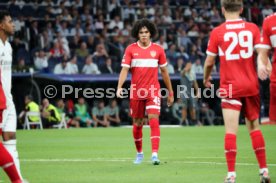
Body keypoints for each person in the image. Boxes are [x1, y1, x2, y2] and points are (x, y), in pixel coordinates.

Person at [203, 1, 270, 182]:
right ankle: (264, 170)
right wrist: (263, 65)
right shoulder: (253, 28)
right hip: (250, 85)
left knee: (231, 132)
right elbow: (262, 53)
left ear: (222, 9)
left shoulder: (218, 32)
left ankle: (231, 175)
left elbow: (209, 62)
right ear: (241, 9)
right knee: (254, 128)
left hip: (230, 87)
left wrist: (206, 78)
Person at [116, 19, 174, 165]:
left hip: (153, 90)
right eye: (141, 32)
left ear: (151, 33)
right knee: (138, 124)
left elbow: (165, 72)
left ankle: (155, 154)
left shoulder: (159, 50)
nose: (144, 35)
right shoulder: (130, 49)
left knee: (154, 119)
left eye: (146, 32)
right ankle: (139, 153)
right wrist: (119, 86)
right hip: (136, 91)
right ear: (137, 33)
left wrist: (171, 91)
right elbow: (124, 69)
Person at [0, 10, 25, 183]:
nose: (13, 24)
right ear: (1, 25)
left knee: (10, 139)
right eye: (10, 21)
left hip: (8, 100)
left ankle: (19, 179)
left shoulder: (8, 47)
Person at [258, 12, 276, 124]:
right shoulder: (269, 21)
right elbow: (263, 52)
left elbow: (263, 52)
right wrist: (262, 64)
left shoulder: (269, 21)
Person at [180, 61, 199, 126]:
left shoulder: (192, 73)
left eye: (190, 65)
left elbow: (195, 83)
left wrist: (197, 92)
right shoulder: (183, 71)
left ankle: (193, 120)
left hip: (191, 92)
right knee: (184, 107)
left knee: (192, 107)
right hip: (184, 92)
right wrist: (186, 69)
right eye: (188, 65)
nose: (190, 66)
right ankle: (183, 121)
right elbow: (182, 73)